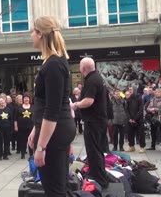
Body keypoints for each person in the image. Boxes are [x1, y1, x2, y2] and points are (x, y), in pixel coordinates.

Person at [27, 16, 76, 196]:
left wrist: (41, 148)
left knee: (54, 190)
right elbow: (45, 103)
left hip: (55, 132)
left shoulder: (54, 64)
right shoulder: (53, 62)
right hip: (55, 129)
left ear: (40, 34)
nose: (31, 35)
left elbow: (52, 110)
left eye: (33, 31)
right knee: (59, 186)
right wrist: (36, 128)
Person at [71, 57, 109, 190]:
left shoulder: (92, 80)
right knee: (96, 150)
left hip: (94, 121)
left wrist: (75, 105)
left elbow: (89, 101)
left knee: (94, 151)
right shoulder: (97, 78)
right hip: (97, 121)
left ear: (83, 68)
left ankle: (99, 179)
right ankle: (98, 176)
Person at [125, 89, 146, 153]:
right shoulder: (128, 99)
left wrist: (135, 119)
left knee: (140, 134)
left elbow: (140, 110)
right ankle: (131, 146)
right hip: (130, 120)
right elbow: (126, 109)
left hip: (139, 120)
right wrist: (130, 118)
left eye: (131, 89)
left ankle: (142, 147)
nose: (130, 91)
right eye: (129, 90)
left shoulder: (139, 99)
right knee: (130, 134)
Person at [14, 94, 34, 159]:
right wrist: (15, 126)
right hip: (21, 127)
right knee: (22, 141)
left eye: (27, 98)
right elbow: (15, 118)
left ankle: (31, 154)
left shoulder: (33, 107)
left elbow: (35, 117)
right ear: (23, 99)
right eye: (25, 98)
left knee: (30, 141)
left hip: (30, 127)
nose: (26, 99)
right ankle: (22, 154)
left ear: (29, 99)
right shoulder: (19, 107)